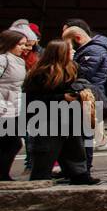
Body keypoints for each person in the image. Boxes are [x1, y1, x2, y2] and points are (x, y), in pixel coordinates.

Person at [23, 39, 98, 184]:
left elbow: (83, 83)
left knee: (75, 151)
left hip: (70, 118)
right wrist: (62, 97)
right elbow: (32, 99)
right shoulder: (40, 73)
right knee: (44, 157)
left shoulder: (74, 67)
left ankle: (80, 178)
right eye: (70, 50)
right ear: (60, 53)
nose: (74, 52)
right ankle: (39, 185)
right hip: (46, 120)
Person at [62, 20, 107, 165]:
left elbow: (85, 75)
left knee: (86, 137)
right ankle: (79, 168)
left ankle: (84, 168)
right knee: (81, 137)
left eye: (69, 44)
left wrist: (69, 60)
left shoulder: (93, 50)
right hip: (86, 96)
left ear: (77, 39)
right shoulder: (88, 49)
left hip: (89, 97)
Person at [0, 29, 31, 180]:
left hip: (13, 109)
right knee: (12, 143)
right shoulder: (3, 60)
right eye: (21, 44)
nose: (24, 47)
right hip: (4, 110)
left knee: (11, 143)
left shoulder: (19, 60)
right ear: (10, 44)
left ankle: (3, 174)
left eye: (25, 44)